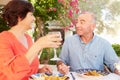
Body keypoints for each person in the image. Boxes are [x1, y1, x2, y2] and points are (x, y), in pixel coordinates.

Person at [0, 0, 62, 80]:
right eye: (31, 15)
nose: (34, 18)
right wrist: (38, 45)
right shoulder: (3, 39)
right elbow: (9, 75)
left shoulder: (28, 38)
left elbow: (27, 69)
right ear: (19, 17)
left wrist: (39, 71)